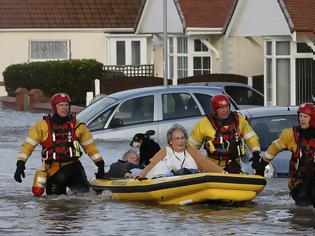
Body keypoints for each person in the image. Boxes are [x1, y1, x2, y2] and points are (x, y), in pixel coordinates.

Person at [14, 93, 105, 195]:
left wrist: (100, 164)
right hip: (54, 171)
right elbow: (27, 147)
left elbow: (90, 147)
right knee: (54, 206)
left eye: (66, 105)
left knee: (84, 200)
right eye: (60, 105)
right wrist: (20, 164)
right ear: (54, 107)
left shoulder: (78, 126)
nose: (64, 108)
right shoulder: (41, 126)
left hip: (74, 168)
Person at [251, 102, 315, 207]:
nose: (302, 119)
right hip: (299, 183)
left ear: (312, 118)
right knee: (302, 214)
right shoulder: (290, 134)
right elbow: (275, 147)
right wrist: (262, 163)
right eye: (300, 116)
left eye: (305, 117)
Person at [188, 94, 261, 174]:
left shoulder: (240, 121)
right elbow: (192, 146)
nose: (225, 110)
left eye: (227, 107)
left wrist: (256, 153)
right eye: (221, 108)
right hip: (213, 167)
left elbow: (251, 138)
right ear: (215, 109)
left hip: (235, 165)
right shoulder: (204, 124)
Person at [137, 124, 224, 179]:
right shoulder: (165, 151)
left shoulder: (191, 150)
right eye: (177, 139)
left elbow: (204, 163)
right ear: (171, 141)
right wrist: (141, 175)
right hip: (168, 183)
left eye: (182, 138)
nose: (180, 141)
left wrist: (222, 172)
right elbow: (152, 165)